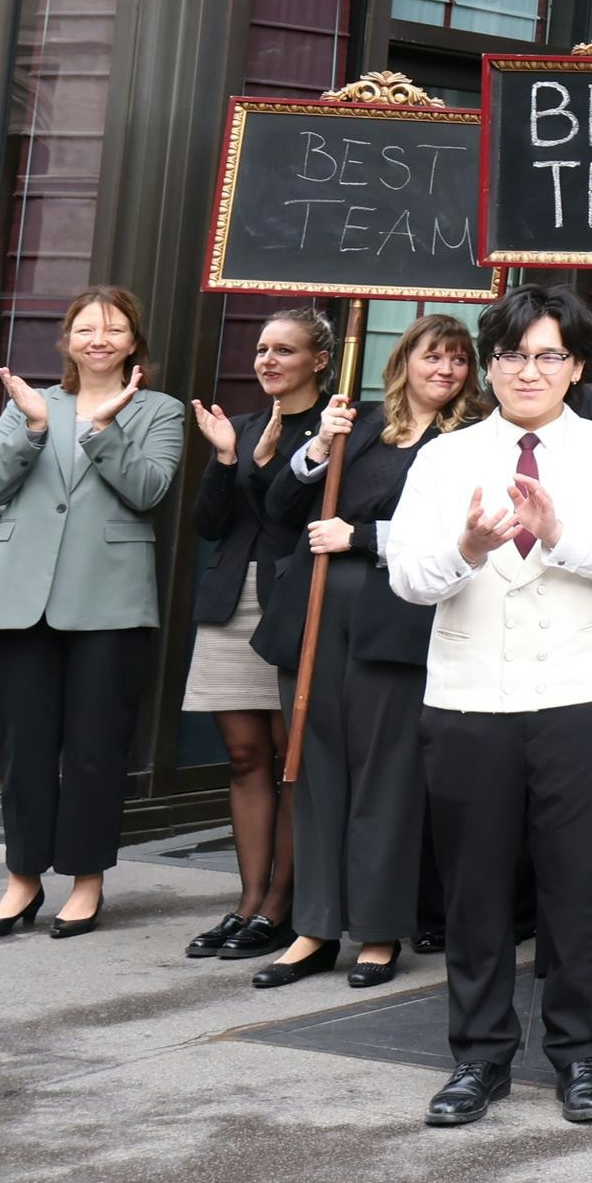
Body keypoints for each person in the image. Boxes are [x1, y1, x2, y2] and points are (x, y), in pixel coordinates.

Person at [388, 284, 592, 1128]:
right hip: (470, 699)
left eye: (548, 354)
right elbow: (407, 577)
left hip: (581, 699)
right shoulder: (445, 457)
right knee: (474, 890)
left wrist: (557, 535)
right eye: (511, 353)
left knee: (581, 889)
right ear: (491, 364)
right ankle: (478, 1057)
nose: (528, 370)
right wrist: (466, 547)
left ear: (577, 365)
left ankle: (582, 1056)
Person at [251, 316, 482, 989]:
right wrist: (320, 446)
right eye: (433, 357)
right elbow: (282, 506)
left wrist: (359, 536)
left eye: (459, 361)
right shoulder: (360, 423)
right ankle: (315, 927)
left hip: (397, 615)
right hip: (317, 610)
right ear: (403, 360)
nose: (445, 371)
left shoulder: (467, 442)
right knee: (316, 770)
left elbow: (454, 532)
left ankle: (379, 931)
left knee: (387, 775)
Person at [0, 287, 185, 943]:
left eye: (114, 329)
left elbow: (149, 490)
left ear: (133, 342)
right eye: (86, 328)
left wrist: (104, 431)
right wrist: (31, 429)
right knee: (24, 747)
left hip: (110, 599)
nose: (99, 339)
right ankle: (22, 881)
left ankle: (86, 882)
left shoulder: (158, 410)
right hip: (20, 594)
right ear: (67, 340)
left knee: (95, 750)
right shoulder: (33, 404)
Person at [180, 306, 333, 963]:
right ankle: (247, 902)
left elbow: (285, 514)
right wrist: (222, 458)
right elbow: (209, 523)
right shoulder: (237, 426)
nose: (267, 359)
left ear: (319, 361)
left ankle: (282, 904)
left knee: (291, 761)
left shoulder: (335, 427)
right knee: (245, 758)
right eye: (263, 348)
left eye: (286, 350)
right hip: (229, 600)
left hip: (294, 601)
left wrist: (276, 455)